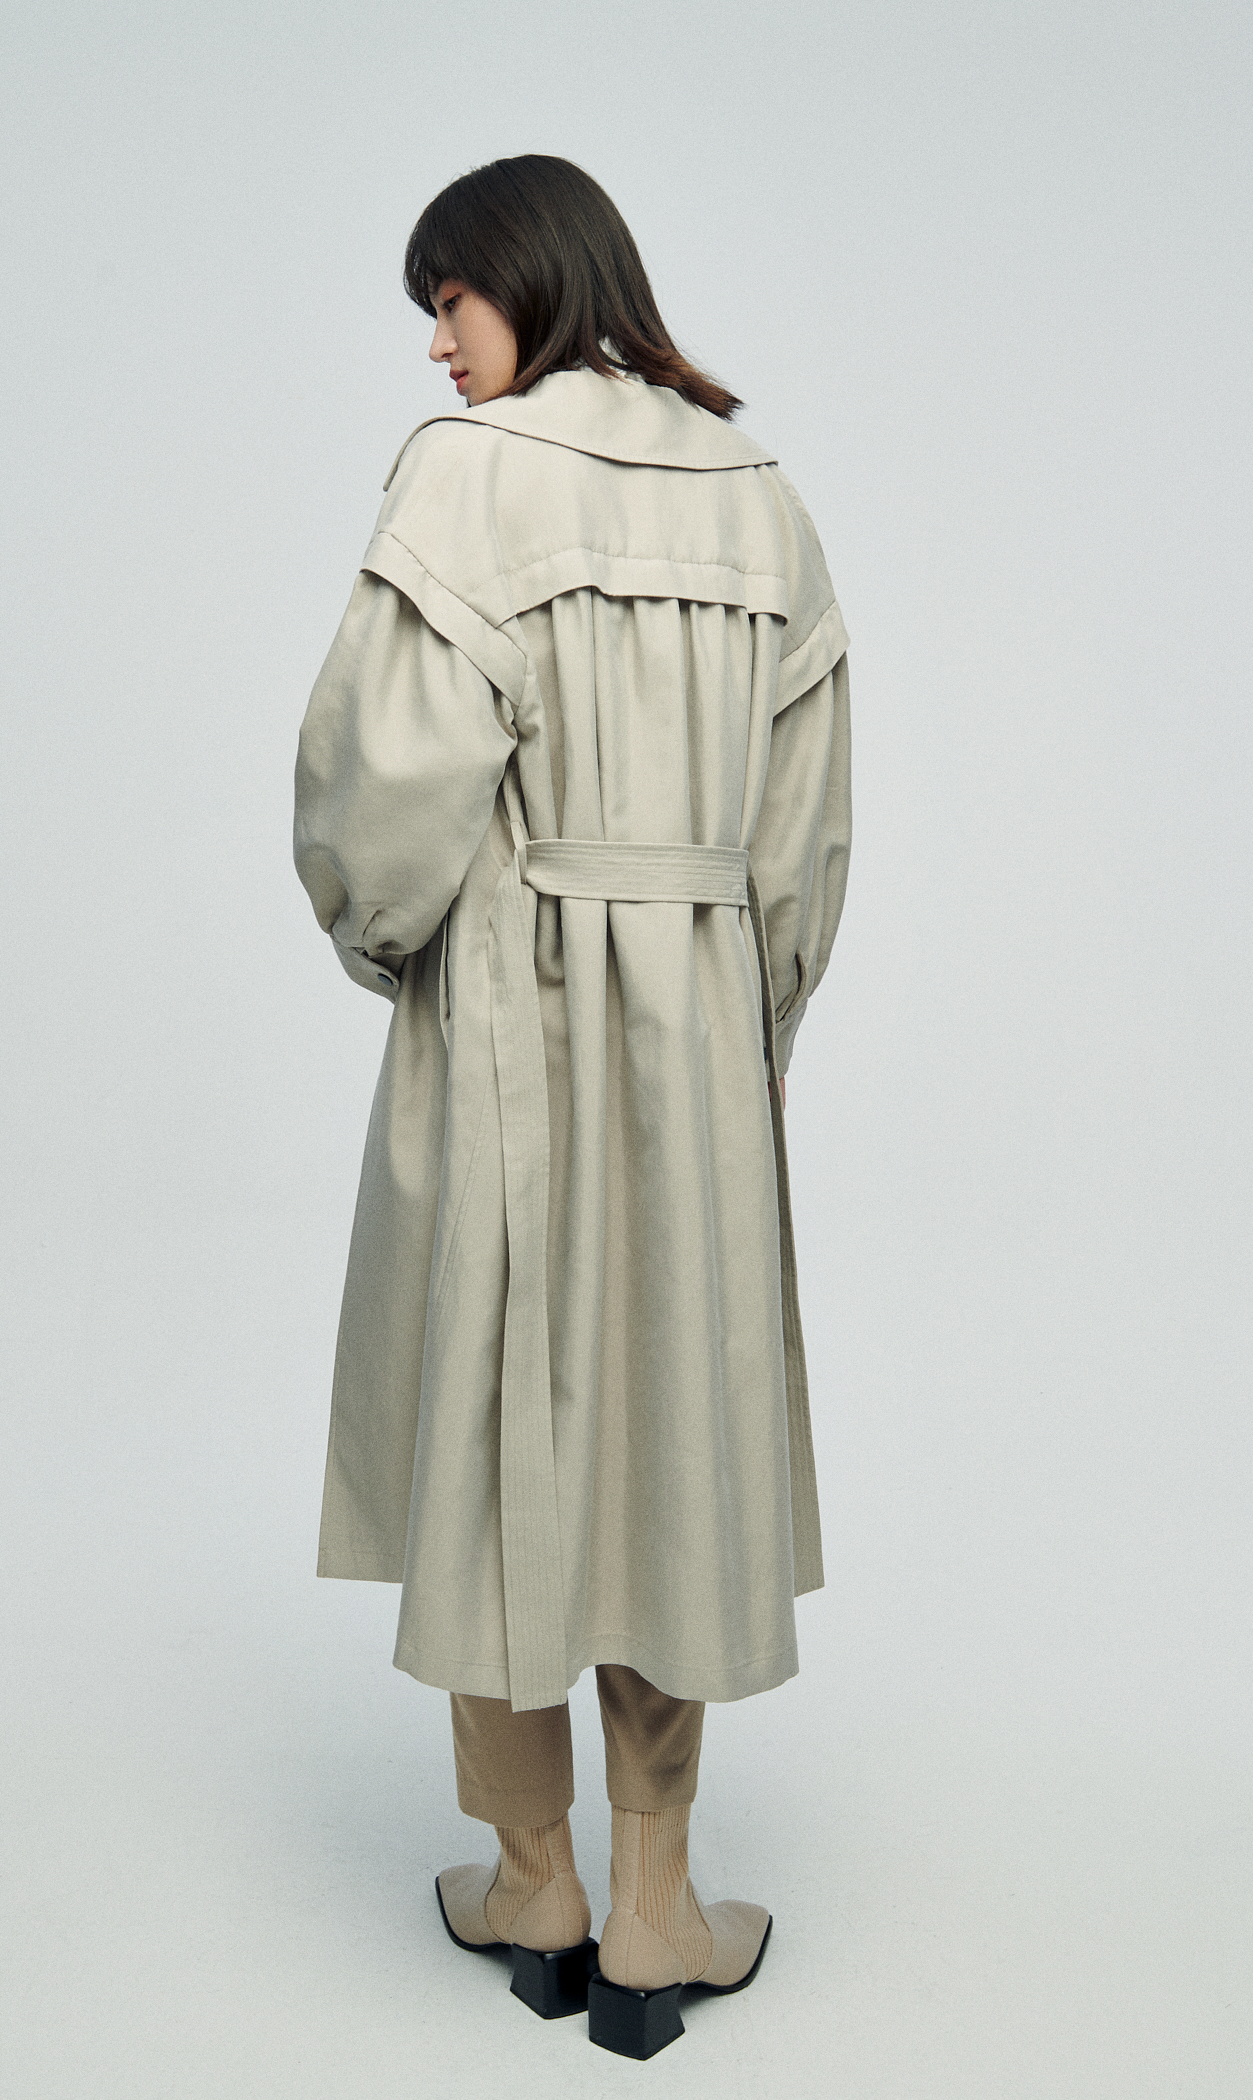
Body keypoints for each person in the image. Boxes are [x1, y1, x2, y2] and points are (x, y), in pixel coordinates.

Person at [293, 155, 851, 2058]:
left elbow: (380, 790)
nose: (436, 342)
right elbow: (805, 827)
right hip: (696, 1038)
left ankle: (533, 1874)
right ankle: (659, 1905)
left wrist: (383, 940)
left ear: (531, 278)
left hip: (506, 1017)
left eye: (447, 298)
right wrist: (753, 1012)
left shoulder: (466, 475)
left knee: (492, 1422)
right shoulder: (762, 496)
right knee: (672, 1429)